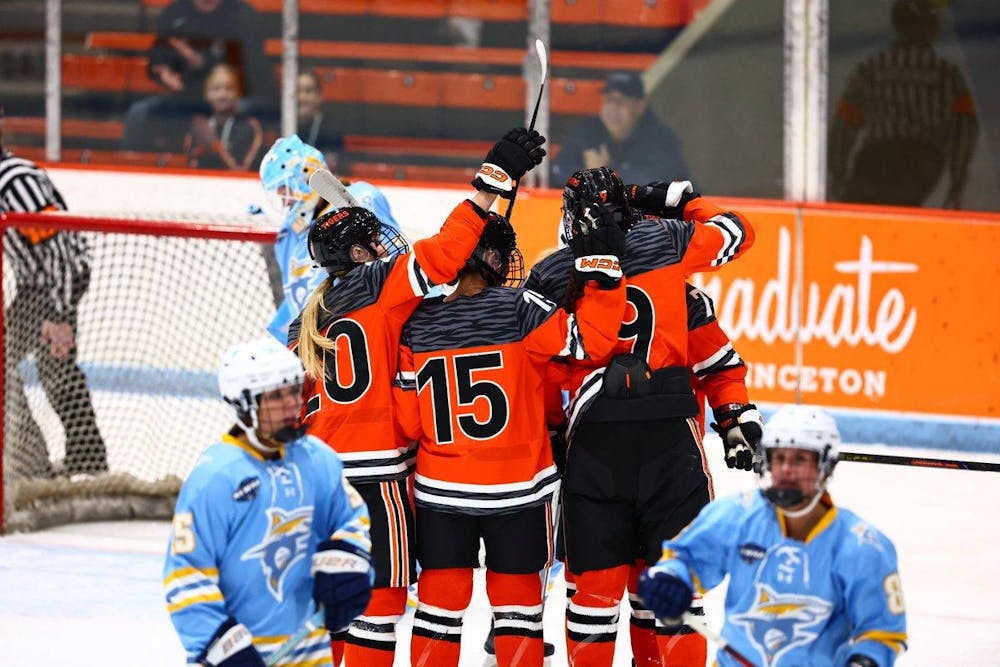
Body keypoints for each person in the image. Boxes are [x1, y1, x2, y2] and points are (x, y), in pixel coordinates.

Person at [288, 127, 547, 667]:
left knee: (340, 603)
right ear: (360, 252)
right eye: (375, 243)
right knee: (379, 610)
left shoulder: (307, 317)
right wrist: (490, 182)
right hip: (377, 477)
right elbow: (450, 252)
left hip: (321, 474)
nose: (387, 246)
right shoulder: (384, 287)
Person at [520, 172, 760, 665]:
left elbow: (535, 369)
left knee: (593, 597)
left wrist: (548, 435)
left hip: (594, 449)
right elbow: (738, 232)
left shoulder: (551, 274)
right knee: (672, 595)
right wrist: (687, 200)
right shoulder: (666, 242)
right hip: (669, 444)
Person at [394, 206, 627, 667]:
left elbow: (410, 425)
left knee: (439, 607)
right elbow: (590, 343)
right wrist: (605, 277)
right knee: (518, 608)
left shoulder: (416, 325)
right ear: (498, 263)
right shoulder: (522, 310)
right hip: (519, 492)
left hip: (442, 492)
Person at [638, 403, 909, 667]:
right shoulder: (736, 515)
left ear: (825, 465)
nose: (787, 470)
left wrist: (866, 660)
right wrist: (671, 579)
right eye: (779, 458)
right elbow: (684, 560)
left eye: (800, 459)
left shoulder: (862, 545)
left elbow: (882, 631)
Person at [164, 338, 374, 666]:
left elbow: (352, 518)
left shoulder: (318, 459)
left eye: (293, 390)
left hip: (309, 648)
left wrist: (350, 561)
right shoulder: (215, 477)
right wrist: (221, 644)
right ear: (244, 404)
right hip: (240, 653)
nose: (292, 404)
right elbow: (186, 575)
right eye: (276, 396)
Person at [0, 108, 108, 480]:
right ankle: (33, 461)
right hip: (36, 284)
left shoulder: (15, 181)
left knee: (56, 370)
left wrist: (60, 317)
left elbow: (58, 250)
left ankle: (78, 463)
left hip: (57, 283)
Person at [828, 0, 978, 209]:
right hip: (922, 162)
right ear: (932, 29)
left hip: (877, 160)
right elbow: (965, 131)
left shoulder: (870, 70)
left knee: (857, 220)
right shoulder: (948, 75)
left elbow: (843, 127)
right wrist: (958, 181)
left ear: (897, 25)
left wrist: (837, 172)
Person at [257, 134, 401, 339]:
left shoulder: (362, 198)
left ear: (306, 178)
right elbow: (295, 301)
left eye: (286, 190)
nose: (285, 202)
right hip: (318, 343)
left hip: (371, 329)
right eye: (279, 195)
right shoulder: (288, 237)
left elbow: (395, 258)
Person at [122, 0, 276, 153]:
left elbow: (252, 67)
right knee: (140, 113)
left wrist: (203, 63)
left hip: (232, 96)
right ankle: (133, 171)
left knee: (240, 114)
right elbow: (158, 53)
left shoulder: (243, 15)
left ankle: (229, 167)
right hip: (188, 96)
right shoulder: (175, 11)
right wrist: (162, 72)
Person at [551, 71, 690, 187]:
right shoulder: (588, 129)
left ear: (639, 106)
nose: (613, 108)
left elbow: (653, 185)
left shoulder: (661, 138)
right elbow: (557, 171)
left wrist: (603, 174)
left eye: (621, 101)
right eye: (609, 100)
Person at [184, 63, 264, 171]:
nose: (222, 95)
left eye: (229, 88)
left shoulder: (249, 126)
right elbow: (189, 167)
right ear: (206, 93)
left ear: (238, 92)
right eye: (216, 89)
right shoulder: (200, 125)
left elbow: (242, 171)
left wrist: (214, 145)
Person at [296, 71, 346, 173]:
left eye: (308, 91)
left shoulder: (331, 130)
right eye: (297, 91)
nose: (302, 97)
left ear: (319, 96)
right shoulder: (282, 126)